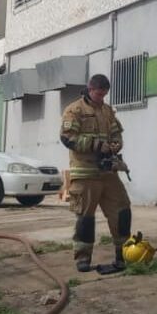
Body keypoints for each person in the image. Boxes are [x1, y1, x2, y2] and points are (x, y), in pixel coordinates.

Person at [60, 74, 131, 274]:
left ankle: (123, 253)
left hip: (108, 172)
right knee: (85, 218)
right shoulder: (74, 110)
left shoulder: (108, 111)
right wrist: (96, 145)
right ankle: (83, 258)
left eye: (105, 94)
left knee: (122, 211)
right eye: (99, 94)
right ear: (90, 89)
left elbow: (117, 133)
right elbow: (67, 138)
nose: (102, 98)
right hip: (85, 173)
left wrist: (115, 144)